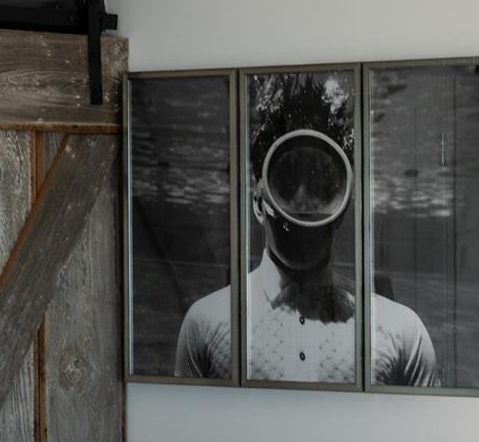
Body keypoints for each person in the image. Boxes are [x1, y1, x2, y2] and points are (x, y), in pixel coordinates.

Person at [175, 128, 438, 386]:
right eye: (287, 181)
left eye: (320, 183)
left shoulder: (402, 331)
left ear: (342, 208)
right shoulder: (206, 323)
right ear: (259, 204)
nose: (302, 202)